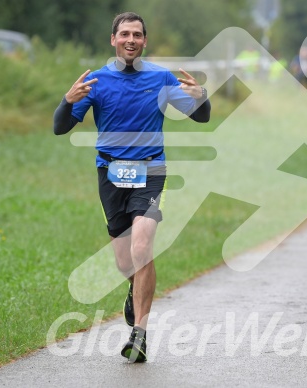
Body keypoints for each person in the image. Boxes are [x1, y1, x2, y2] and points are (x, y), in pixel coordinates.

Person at [52, 12, 211, 362]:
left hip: (151, 171)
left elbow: (202, 117)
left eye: (137, 34)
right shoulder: (96, 81)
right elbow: (60, 128)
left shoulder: (161, 78)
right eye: (124, 33)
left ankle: (139, 332)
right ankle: (133, 287)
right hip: (110, 174)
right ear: (113, 39)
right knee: (125, 261)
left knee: (142, 246)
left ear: (144, 41)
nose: (131, 40)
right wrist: (67, 100)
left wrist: (202, 96)